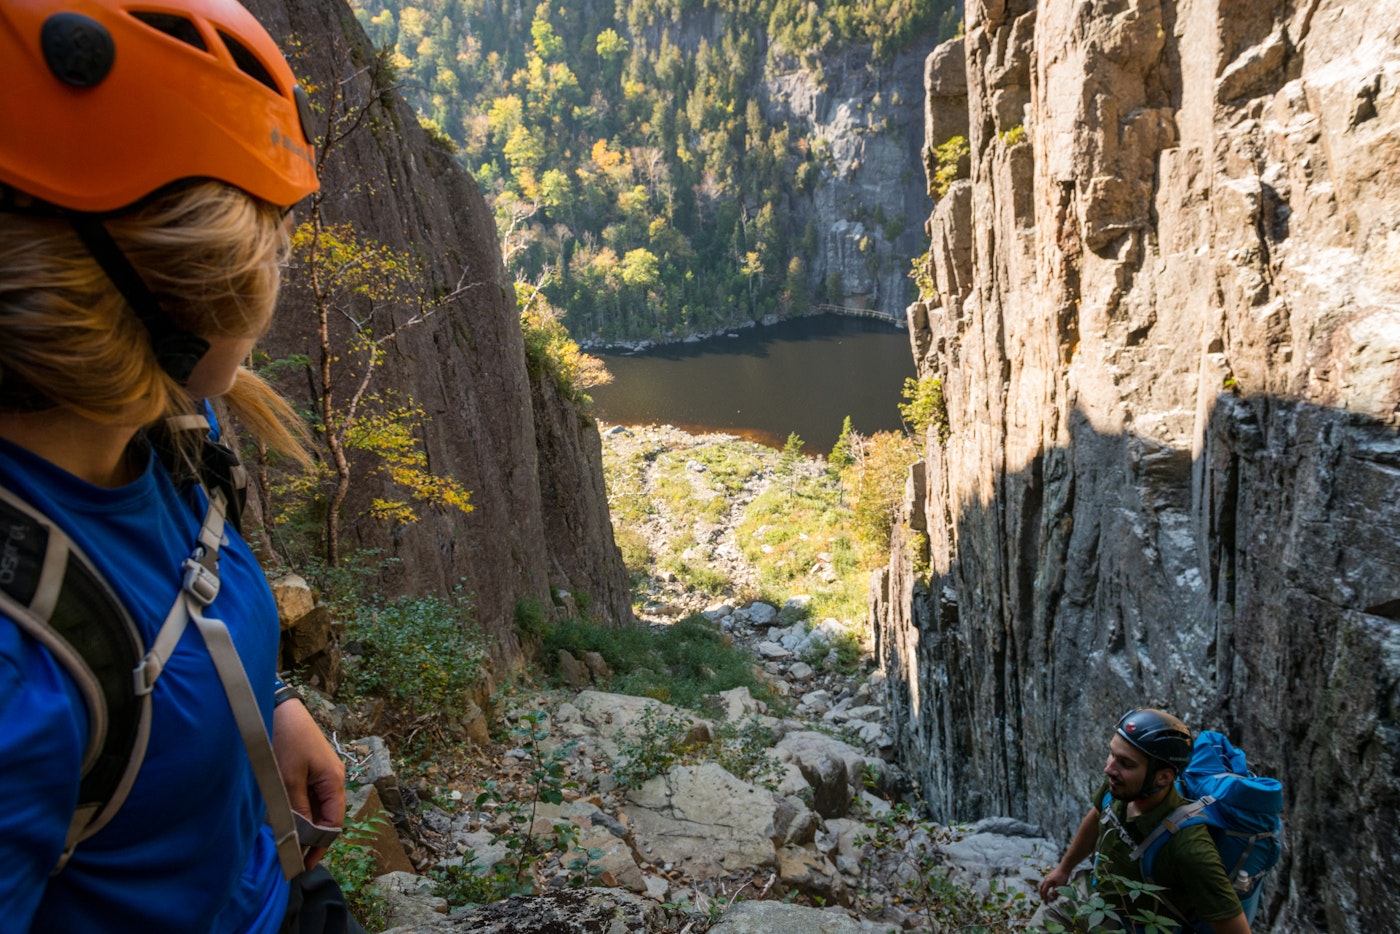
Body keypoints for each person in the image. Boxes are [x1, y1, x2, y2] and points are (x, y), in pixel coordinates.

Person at [0, 1, 364, 931]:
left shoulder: (155, 421)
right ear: (169, 288)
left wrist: (268, 703)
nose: (277, 272)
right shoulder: (18, 676)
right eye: (267, 240)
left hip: (271, 887)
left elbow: (169, 597)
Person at [1033, 708, 1252, 933]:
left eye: (1126, 764)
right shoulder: (1120, 789)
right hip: (1089, 894)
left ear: (1163, 777)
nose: (1109, 768)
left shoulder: (1190, 847)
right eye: (1112, 754)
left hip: (1133, 927)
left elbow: (1234, 926)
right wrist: (1065, 868)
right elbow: (1098, 814)